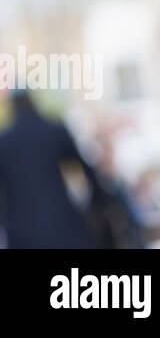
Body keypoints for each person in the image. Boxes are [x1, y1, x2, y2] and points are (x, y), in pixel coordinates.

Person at [0, 90, 103, 248]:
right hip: (60, 220)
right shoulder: (53, 131)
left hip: (21, 229)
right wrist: (97, 201)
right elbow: (86, 169)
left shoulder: (5, 142)